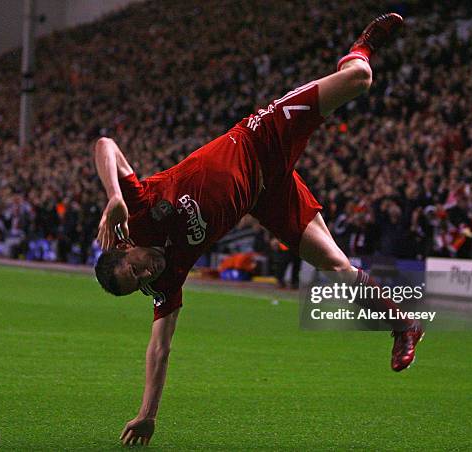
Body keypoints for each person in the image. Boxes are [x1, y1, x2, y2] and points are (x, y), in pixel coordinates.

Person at [93, 14, 424, 446]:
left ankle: (363, 44)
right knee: (337, 267)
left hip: (260, 136)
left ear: (127, 248)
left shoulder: (137, 212)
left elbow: (105, 146)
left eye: (134, 269)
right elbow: (159, 348)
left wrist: (113, 195)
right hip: (266, 195)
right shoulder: (166, 278)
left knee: (360, 77)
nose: (145, 275)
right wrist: (146, 414)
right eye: (138, 283)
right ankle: (404, 324)